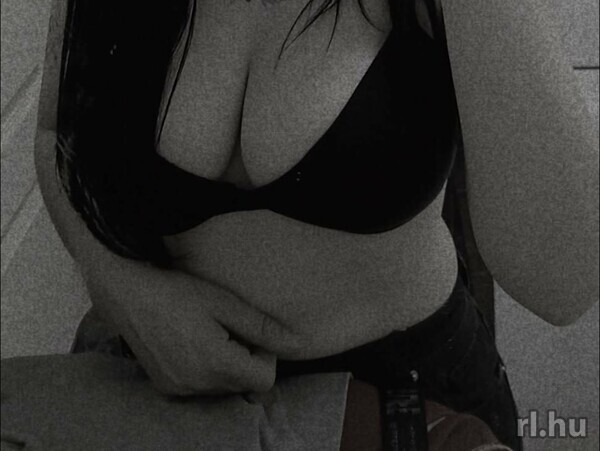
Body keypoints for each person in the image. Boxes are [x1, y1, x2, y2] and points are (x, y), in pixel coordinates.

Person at [13, 0, 597, 449]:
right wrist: (116, 283)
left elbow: (563, 281)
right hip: (156, 387)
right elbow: (53, 134)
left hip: (408, 402)